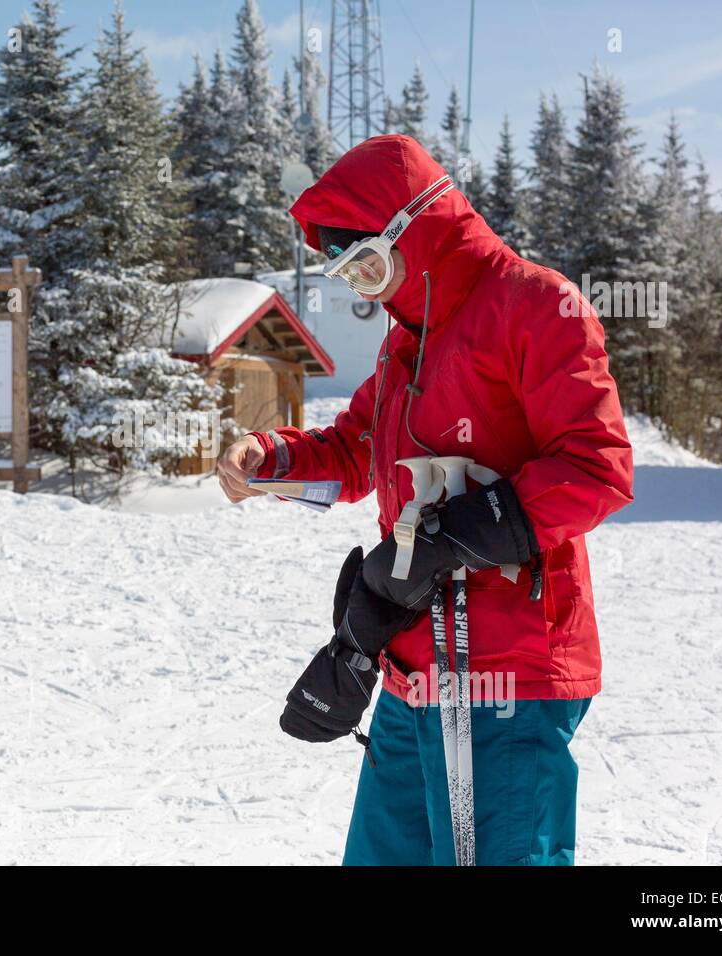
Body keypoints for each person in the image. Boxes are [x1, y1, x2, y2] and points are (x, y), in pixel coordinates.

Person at [216, 135, 634, 865]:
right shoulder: (408, 345)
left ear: (422, 227)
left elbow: (596, 466)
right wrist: (271, 459)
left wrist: (460, 534)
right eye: (349, 274)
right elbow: (354, 449)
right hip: (411, 674)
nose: (364, 290)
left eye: (370, 265)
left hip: (508, 673)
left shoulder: (535, 305)